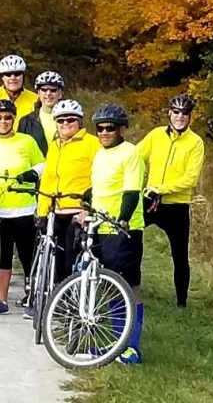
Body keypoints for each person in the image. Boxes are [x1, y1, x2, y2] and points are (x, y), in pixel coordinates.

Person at [0, 99, 45, 315]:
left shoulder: (27, 141)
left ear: (14, 118)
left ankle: (32, 298)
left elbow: (42, 164)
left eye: (7, 117)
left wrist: (33, 174)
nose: (3, 121)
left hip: (24, 208)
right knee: (2, 257)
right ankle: (1, 300)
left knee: (28, 256)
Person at [89, 104, 145, 365]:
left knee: (130, 285)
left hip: (125, 229)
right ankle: (116, 343)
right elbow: (101, 187)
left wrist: (123, 218)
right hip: (101, 226)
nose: (104, 132)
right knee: (111, 287)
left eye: (110, 127)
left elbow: (131, 191)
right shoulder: (100, 154)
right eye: (99, 128)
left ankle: (132, 347)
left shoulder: (130, 153)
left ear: (121, 128)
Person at [137, 94, 204, 308]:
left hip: (176, 205)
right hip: (150, 200)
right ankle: (128, 285)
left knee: (180, 254)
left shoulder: (195, 143)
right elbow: (137, 157)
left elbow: (190, 178)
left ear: (190, 116)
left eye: (185, 113)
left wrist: (162, 189)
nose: (180, 117)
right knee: (128, 236)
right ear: (169, 113)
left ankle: (181, 303)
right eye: (176, 112)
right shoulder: (156, 135)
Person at [36, 100, 100, 286]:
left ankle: (74, 300)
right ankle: (58, 300)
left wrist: (90, 208)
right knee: (56, 260)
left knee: (71, 260)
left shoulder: (91, 143)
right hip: (56, 211)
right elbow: (48, 179)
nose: (65, 124)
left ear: (80, 121)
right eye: (61, 120)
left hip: (78, 211)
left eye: (70, 120)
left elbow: (100, 177)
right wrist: (42, 211)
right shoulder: (55, 145)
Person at [18, 71, 65, 155]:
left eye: (53, 90)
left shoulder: (70, 120)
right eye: (44, 90)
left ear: (60, 93)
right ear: (38, 93)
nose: (48, 94)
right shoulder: (26, 121)